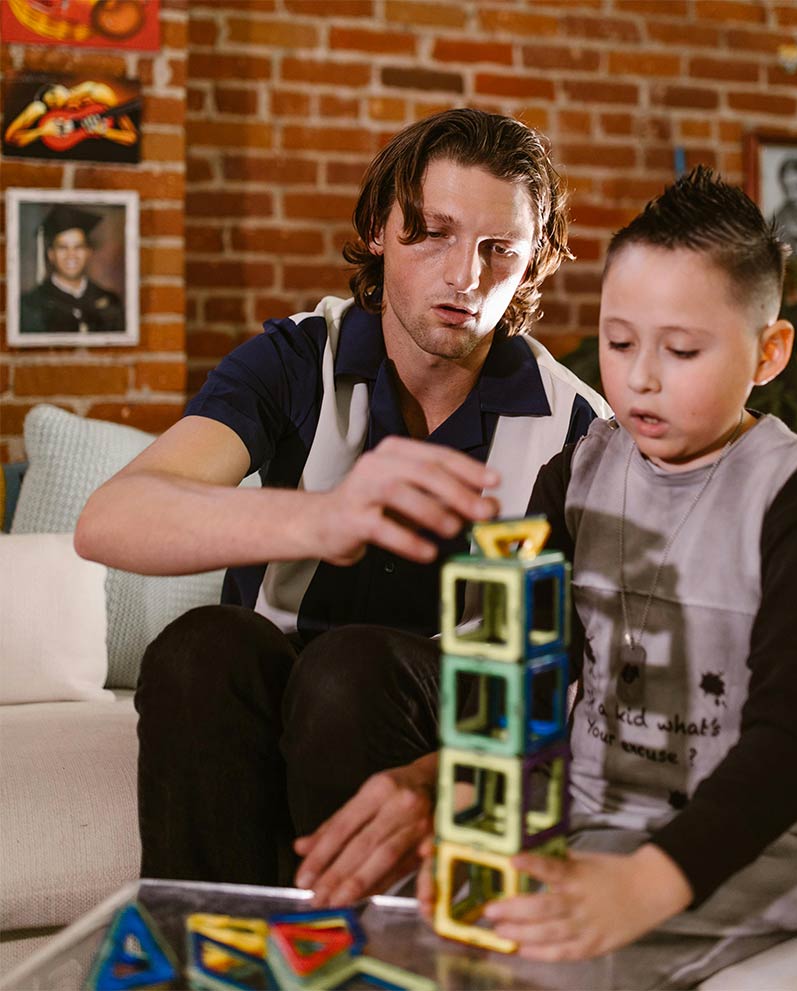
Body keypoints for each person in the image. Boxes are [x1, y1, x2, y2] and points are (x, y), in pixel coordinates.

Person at [75, 109, 609, 895]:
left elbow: (581, 687)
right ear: (378, 230)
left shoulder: (576, 426)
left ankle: (355, 961)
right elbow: (109, 520)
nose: (465, 275)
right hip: (280, 679)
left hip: (437, 717)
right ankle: (206, 958)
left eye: (500, 249)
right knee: (200, 646)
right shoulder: (297, 359)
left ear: (531, 267)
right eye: (433, 232)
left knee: (350, 666)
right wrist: (327, 516)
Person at [417, 167, 797, 987]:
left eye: (683, 349)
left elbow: (793, 744)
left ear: (768, 354)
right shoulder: (579, 469)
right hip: (592, 817)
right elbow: (518, 668)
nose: (642, 378)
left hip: (752, 843)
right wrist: (466, 814)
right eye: (620, 342)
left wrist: (642, 884)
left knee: (548, 968)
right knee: (428, 942)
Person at [19, 203, 126, 335]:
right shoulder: (31, 305)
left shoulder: (110, 302)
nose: (71, 255)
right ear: (51, 255)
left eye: (78, 247)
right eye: (63, 247)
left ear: (88, 252)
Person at [4, 81, 138, 151]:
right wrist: (42, 131)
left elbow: (131, 137)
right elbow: (9, 138)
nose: (54, 100)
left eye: (53, 95)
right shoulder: (44, 110)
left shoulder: (97, 93)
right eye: (52, 104)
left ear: (59, 87)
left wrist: (104, 132)